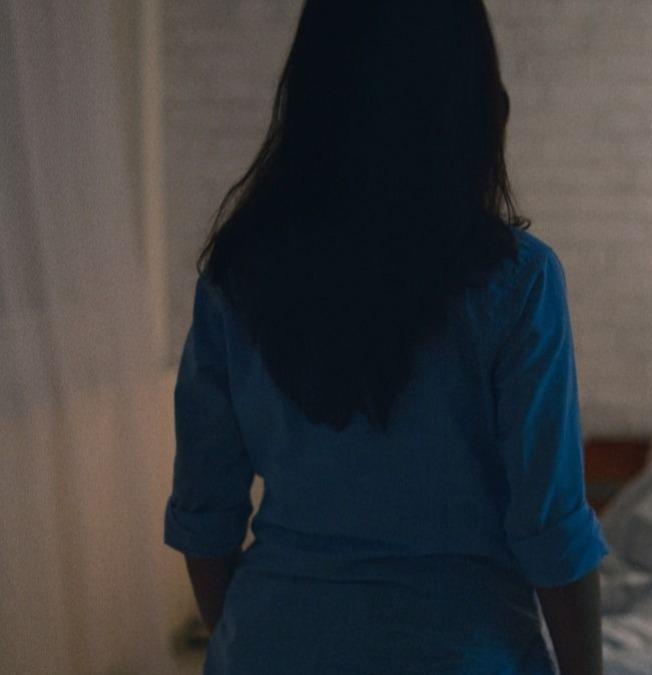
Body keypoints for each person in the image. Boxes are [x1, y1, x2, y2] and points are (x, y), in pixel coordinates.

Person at [163, 3, 606, 673]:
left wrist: (262, 637)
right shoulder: (517, 282)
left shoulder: (238, 274)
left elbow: (205, 518)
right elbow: (551, 527)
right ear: (473, 97)